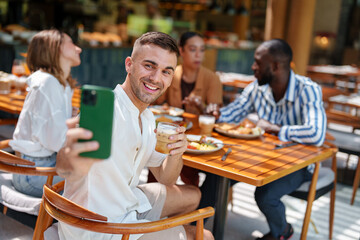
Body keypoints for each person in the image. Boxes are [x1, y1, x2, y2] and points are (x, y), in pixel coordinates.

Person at [55, 32, 214, 240]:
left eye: (166, 71)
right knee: (205, 236)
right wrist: (68, 155)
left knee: (194, 195)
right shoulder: (106, 112)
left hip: (128, 204)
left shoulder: (148, 118)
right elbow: (68, 167)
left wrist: (177, 152)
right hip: (98, 228)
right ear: (129, 64)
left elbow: (166, 178)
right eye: (149, 66)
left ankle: (155, 231)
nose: (156, 78)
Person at [202, 39, 326, 240]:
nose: (253, 67)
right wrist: (215, 112)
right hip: (259, 158)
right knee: (217, 176)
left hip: (296, 164)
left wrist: (276, 129)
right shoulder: (256, 88)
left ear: (276, 66)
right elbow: (231, 113)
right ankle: (189, 228)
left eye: (258, 62)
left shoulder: (308, 89)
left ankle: (283, 231)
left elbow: (316, 134)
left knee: (265, 195)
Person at [9, 29, 82, 197]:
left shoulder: (62, 85)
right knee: (93, 183)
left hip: (44, 164)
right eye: (71, 43)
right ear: (55, 48)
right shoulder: (47, 83)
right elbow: (58, 142)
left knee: (97, 178)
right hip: (33, 172)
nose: (79, 48)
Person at [149, 31, 223, 186]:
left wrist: (201, 107)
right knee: (157, 163)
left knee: (189, 176)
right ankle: (155, 196)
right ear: (181, 51)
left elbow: (214, 115)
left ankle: (187, 199)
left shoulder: (212, 78)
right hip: (168, 136)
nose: (198, 55)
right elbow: (156, 103)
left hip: (196, 141)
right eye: (193, 49)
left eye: (202, 50)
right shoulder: (170, 73)